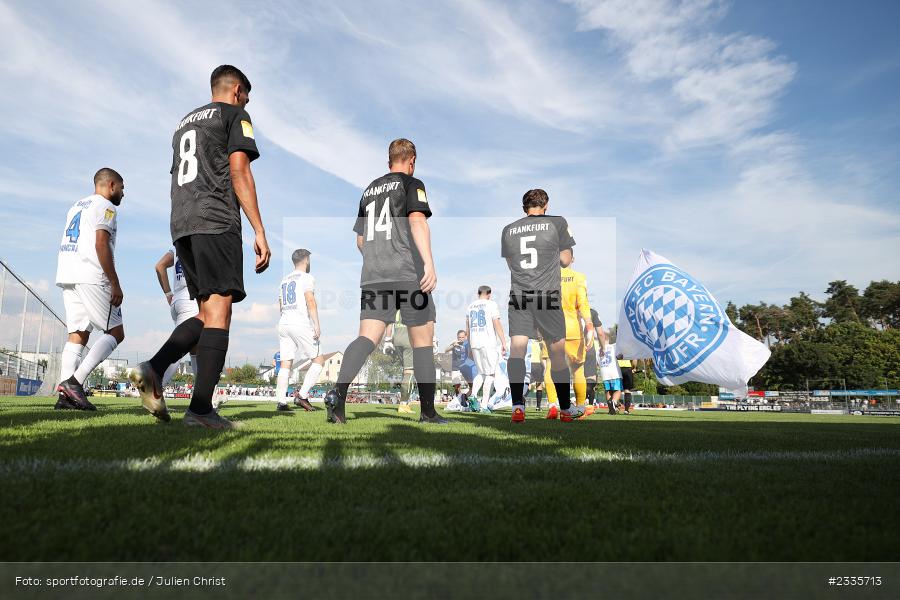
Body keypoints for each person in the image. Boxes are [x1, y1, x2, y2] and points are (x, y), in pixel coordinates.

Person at [131, 65, 271, 429]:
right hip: (216, 220)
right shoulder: (235, 115)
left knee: (208, 314)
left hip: (182, 224)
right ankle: (201, 410)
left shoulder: (183, 123)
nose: (247, 101)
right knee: (221, 312)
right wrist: (259, 229)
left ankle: (154, 367)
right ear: (237, 90)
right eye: (246, 96)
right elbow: (239, 171)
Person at [324, 138, 446, 425]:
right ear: (412, 160)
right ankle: (428, 412)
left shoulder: (369, 191)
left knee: (367, 337)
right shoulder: (411, 183)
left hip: (374, 276)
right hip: (408, 273)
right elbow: (417, 220)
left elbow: (360, 240)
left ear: (388, 160)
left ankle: (338, 398)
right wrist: (428, 262)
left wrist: (379, 259)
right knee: (422, 340)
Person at [501, 188, 582, 422]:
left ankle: (518, 406)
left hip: (519, 295)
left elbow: (511, 264)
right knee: (557, 353)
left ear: (524, 207)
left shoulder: (508, 229)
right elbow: (566, 261)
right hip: (547, 295)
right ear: (545, 205)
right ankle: (566, 409)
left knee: (517, 349)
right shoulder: (557, 222)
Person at [55, 168, 127, 411]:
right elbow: (100, 243)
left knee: (78, 334)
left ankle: (64, 398)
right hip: (92, 275)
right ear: (111, 185)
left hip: (67, 273)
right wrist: (115, 282)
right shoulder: (106, 206)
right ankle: (74, 383)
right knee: (116, 332)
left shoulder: (76, 206)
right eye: (122, 187)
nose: (123, 193)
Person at [275, 249, 324, 412]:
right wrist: (316, 324)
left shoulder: (284, 279)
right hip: (300, 322)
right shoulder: (307, 277)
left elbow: (281, 304)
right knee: (318, 360)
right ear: (306, 260)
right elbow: (310, 300)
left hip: (284, 322)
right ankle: (302, 396)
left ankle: (281, 402)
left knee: (285, 364)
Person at [153, 247, 200, 386]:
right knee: (180, 348)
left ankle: (203, 396)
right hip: (190, 300)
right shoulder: (200, 238)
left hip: (178, 299)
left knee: (195, 349)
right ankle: (156, 387)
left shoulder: (177, 245)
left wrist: (168, 294)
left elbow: (160, 266)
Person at [560, 258, 595, 413]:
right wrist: (589, 325)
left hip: (552, 329)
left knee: (552, 367)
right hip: (572, 329)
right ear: (572, 258)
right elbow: (583, 304)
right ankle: (580, 408)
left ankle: (555, 406)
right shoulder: (579, 277)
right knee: (577, 369)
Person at [466, 285, 507, 411]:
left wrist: (469, 347)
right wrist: (504, 342)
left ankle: (473, 395)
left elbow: (467, 328)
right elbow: (497, 324)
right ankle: (484, 405)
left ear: (478, 293)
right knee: (490, 374)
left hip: (474, 343)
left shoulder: (470, 306)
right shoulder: (491, 304)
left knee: (481, 373)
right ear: (489, 294)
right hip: (488, 343)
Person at [384, 310, 415, 413]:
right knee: (409, 373)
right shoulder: (414, 302)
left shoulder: (396, 307)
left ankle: (405, 401)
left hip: (397, 340)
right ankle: (404, 404)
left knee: (405, 372)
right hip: (409, 340)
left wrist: (387, 339)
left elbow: (389, 322)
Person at [599, 339, 623, 415]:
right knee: (617, 390)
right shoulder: (613, 346)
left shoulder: (598, 350)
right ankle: (614, 402)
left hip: (604, 373)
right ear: (607, 340)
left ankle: (610, 409)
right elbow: (620, 356)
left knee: (608, 391)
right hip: (614, 372)